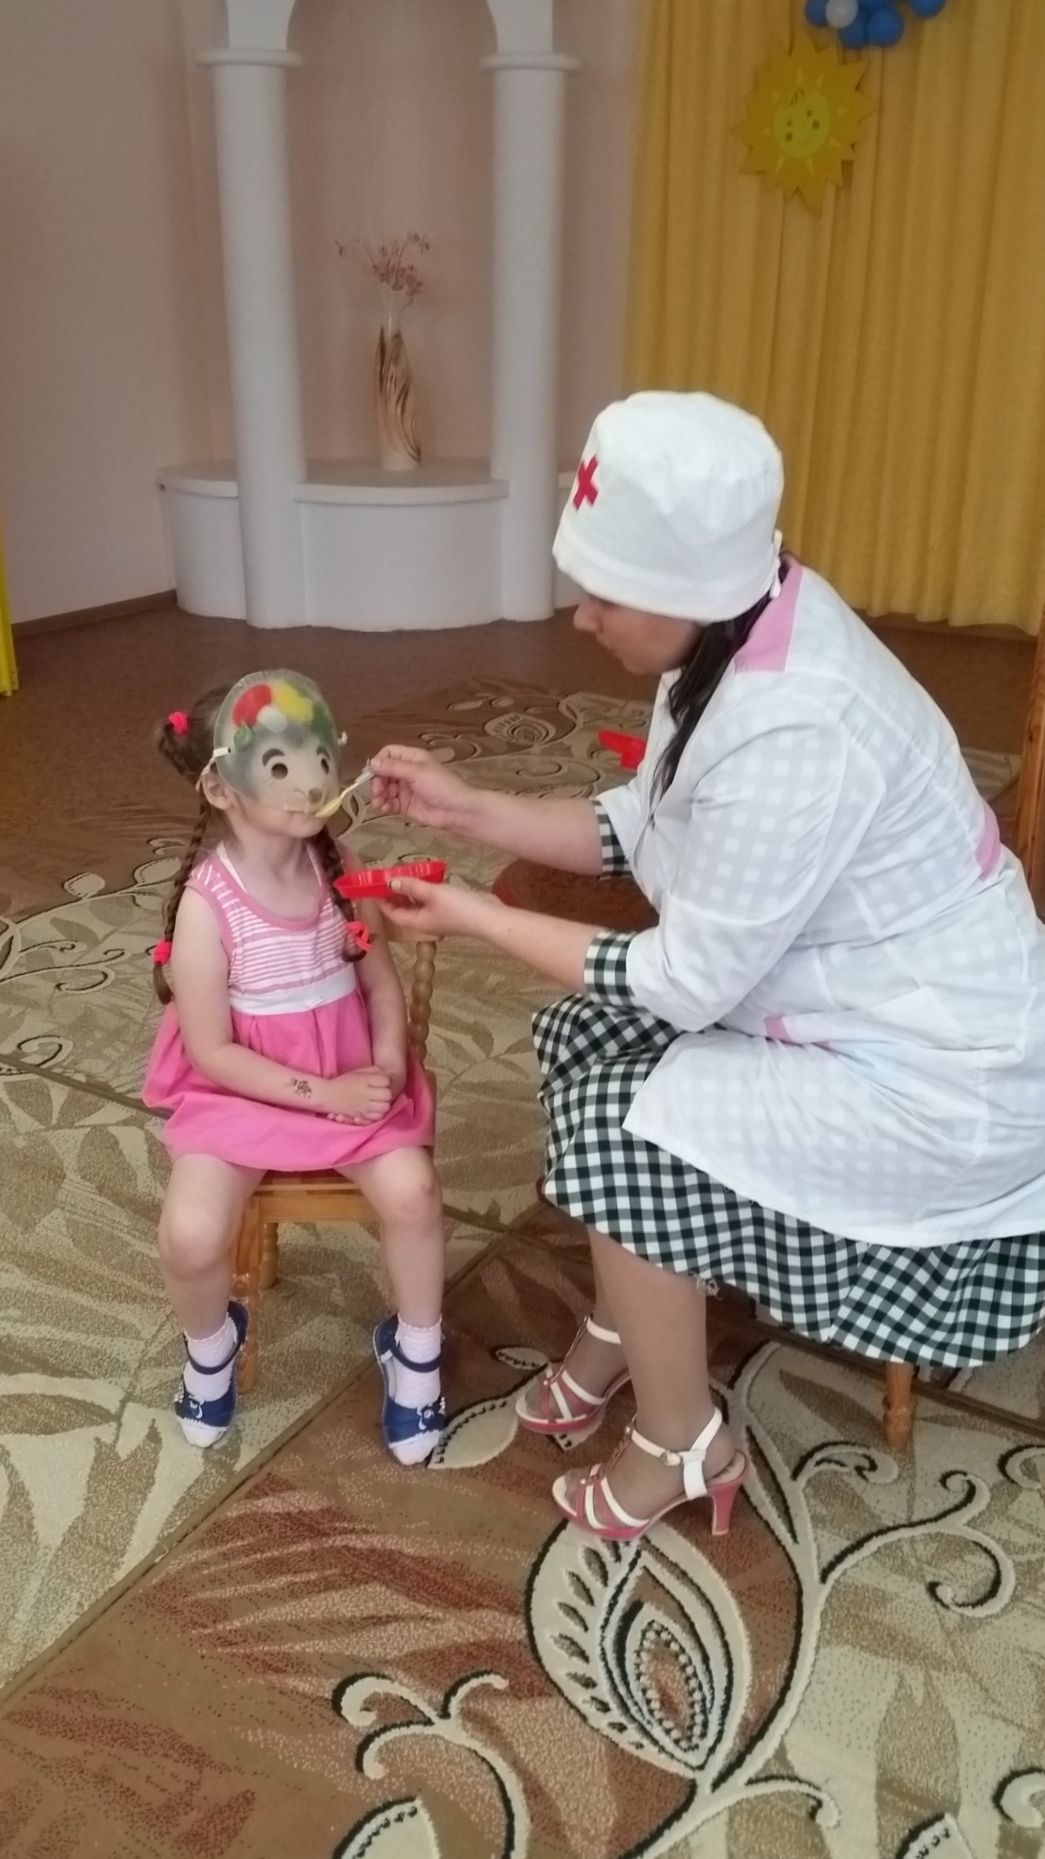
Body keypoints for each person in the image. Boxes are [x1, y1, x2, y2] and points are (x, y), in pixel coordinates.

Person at [372, 391, 1045, 1542]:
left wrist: (477, 915)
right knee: (591, 1042)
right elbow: (641, 819)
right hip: (854, 1008)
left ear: (688, 593)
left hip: (940, 1076)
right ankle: (630, 1325)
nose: (580, 615)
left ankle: (681, 1438)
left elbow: (683, 983)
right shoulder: (743, 625)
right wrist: (468, 805)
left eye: (605, 593)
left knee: (626, 1134)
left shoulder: (795, 724)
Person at [144, 670, 446, 1464]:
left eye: (317, 756)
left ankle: (415, 1350)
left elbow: (379, 985)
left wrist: (386, 1064)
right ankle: (211, 1346)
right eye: (278, 765)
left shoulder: (338, 863)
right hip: (241, 1090)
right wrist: (324, 1092)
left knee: (414, 1193)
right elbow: (212, 1051)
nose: (311, 779)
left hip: (348, 1074)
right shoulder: (207, 904)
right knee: (190, 1232)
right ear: (221, 786)